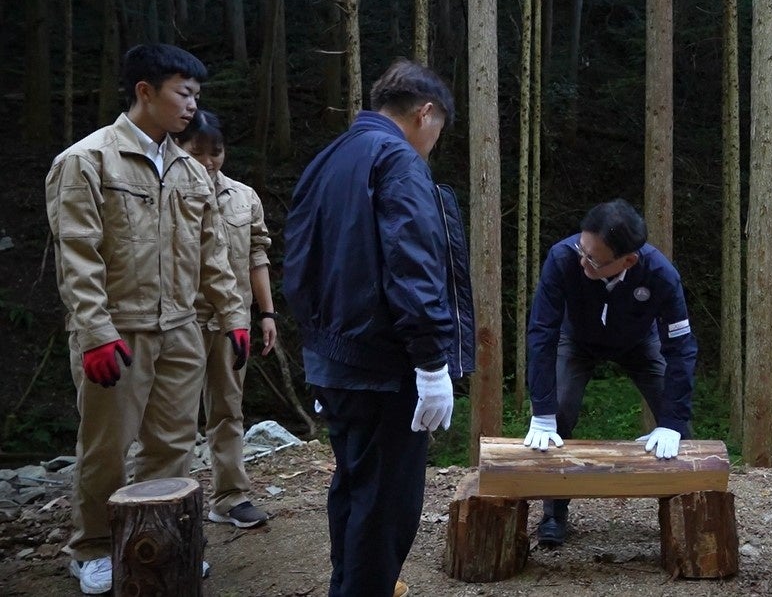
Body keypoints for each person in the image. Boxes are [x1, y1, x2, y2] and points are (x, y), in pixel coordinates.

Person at [45, 44, 250, 595]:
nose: (191, 106)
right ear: (145, 91)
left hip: (183, 328)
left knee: (173, 446)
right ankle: (91, 548)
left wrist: (233, 317)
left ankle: (160, 544)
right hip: (119, 331)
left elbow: (211, 252)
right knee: (106, 447)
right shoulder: (86, 161)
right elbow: (77, 255)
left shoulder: (187, 168)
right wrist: (95, 332)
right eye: (183, 93)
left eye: (196, 96)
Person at [283, 59, 473, 597]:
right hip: (385, 366)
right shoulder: (398, 160)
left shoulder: (329, 158)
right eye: (439, 129)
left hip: (335, 358)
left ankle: (351, 585)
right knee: (385, 502)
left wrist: (319, 347)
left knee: (353, 485)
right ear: (426, 113)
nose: (435, 141)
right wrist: (431, 360)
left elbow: (297, 265)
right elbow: (414, 265)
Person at [522, 198, 698, 546]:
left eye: (593, 259)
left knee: (677, 424)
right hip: (575, 340)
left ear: (628, 260)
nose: (582, 260)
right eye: (582, 250)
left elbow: (681, 347)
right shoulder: (562, 258)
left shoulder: (661, 274)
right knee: (559, 411)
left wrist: (673, 421)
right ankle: (554, 513)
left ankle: (683, 513)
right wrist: (541, 410)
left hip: (638, 342)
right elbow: (542, 333)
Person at [175, 110, 275, 529]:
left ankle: (230, 497)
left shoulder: (244, 197)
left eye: (215, 152)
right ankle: (169, 502)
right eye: (198, 152)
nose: (209, 161)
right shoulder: (168, 194)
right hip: (180, 319)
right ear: (180, 150)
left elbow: (257, 255)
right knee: (174, 418)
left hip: (232, 320)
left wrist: (266, 313)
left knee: (228, 410)